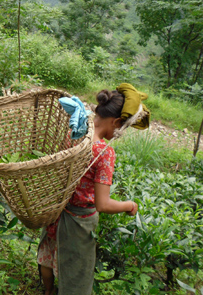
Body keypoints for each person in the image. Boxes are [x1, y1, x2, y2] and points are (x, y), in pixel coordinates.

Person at [38, 86, 149, 295]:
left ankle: (48, 291)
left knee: (48, 255)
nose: (120, 134)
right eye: (122, 128)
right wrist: (129, 205)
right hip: (77, 223)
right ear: (116, 122)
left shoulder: (75, 128)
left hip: (56, 210)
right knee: (76, 272)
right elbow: (103, 204)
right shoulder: (104, 152)